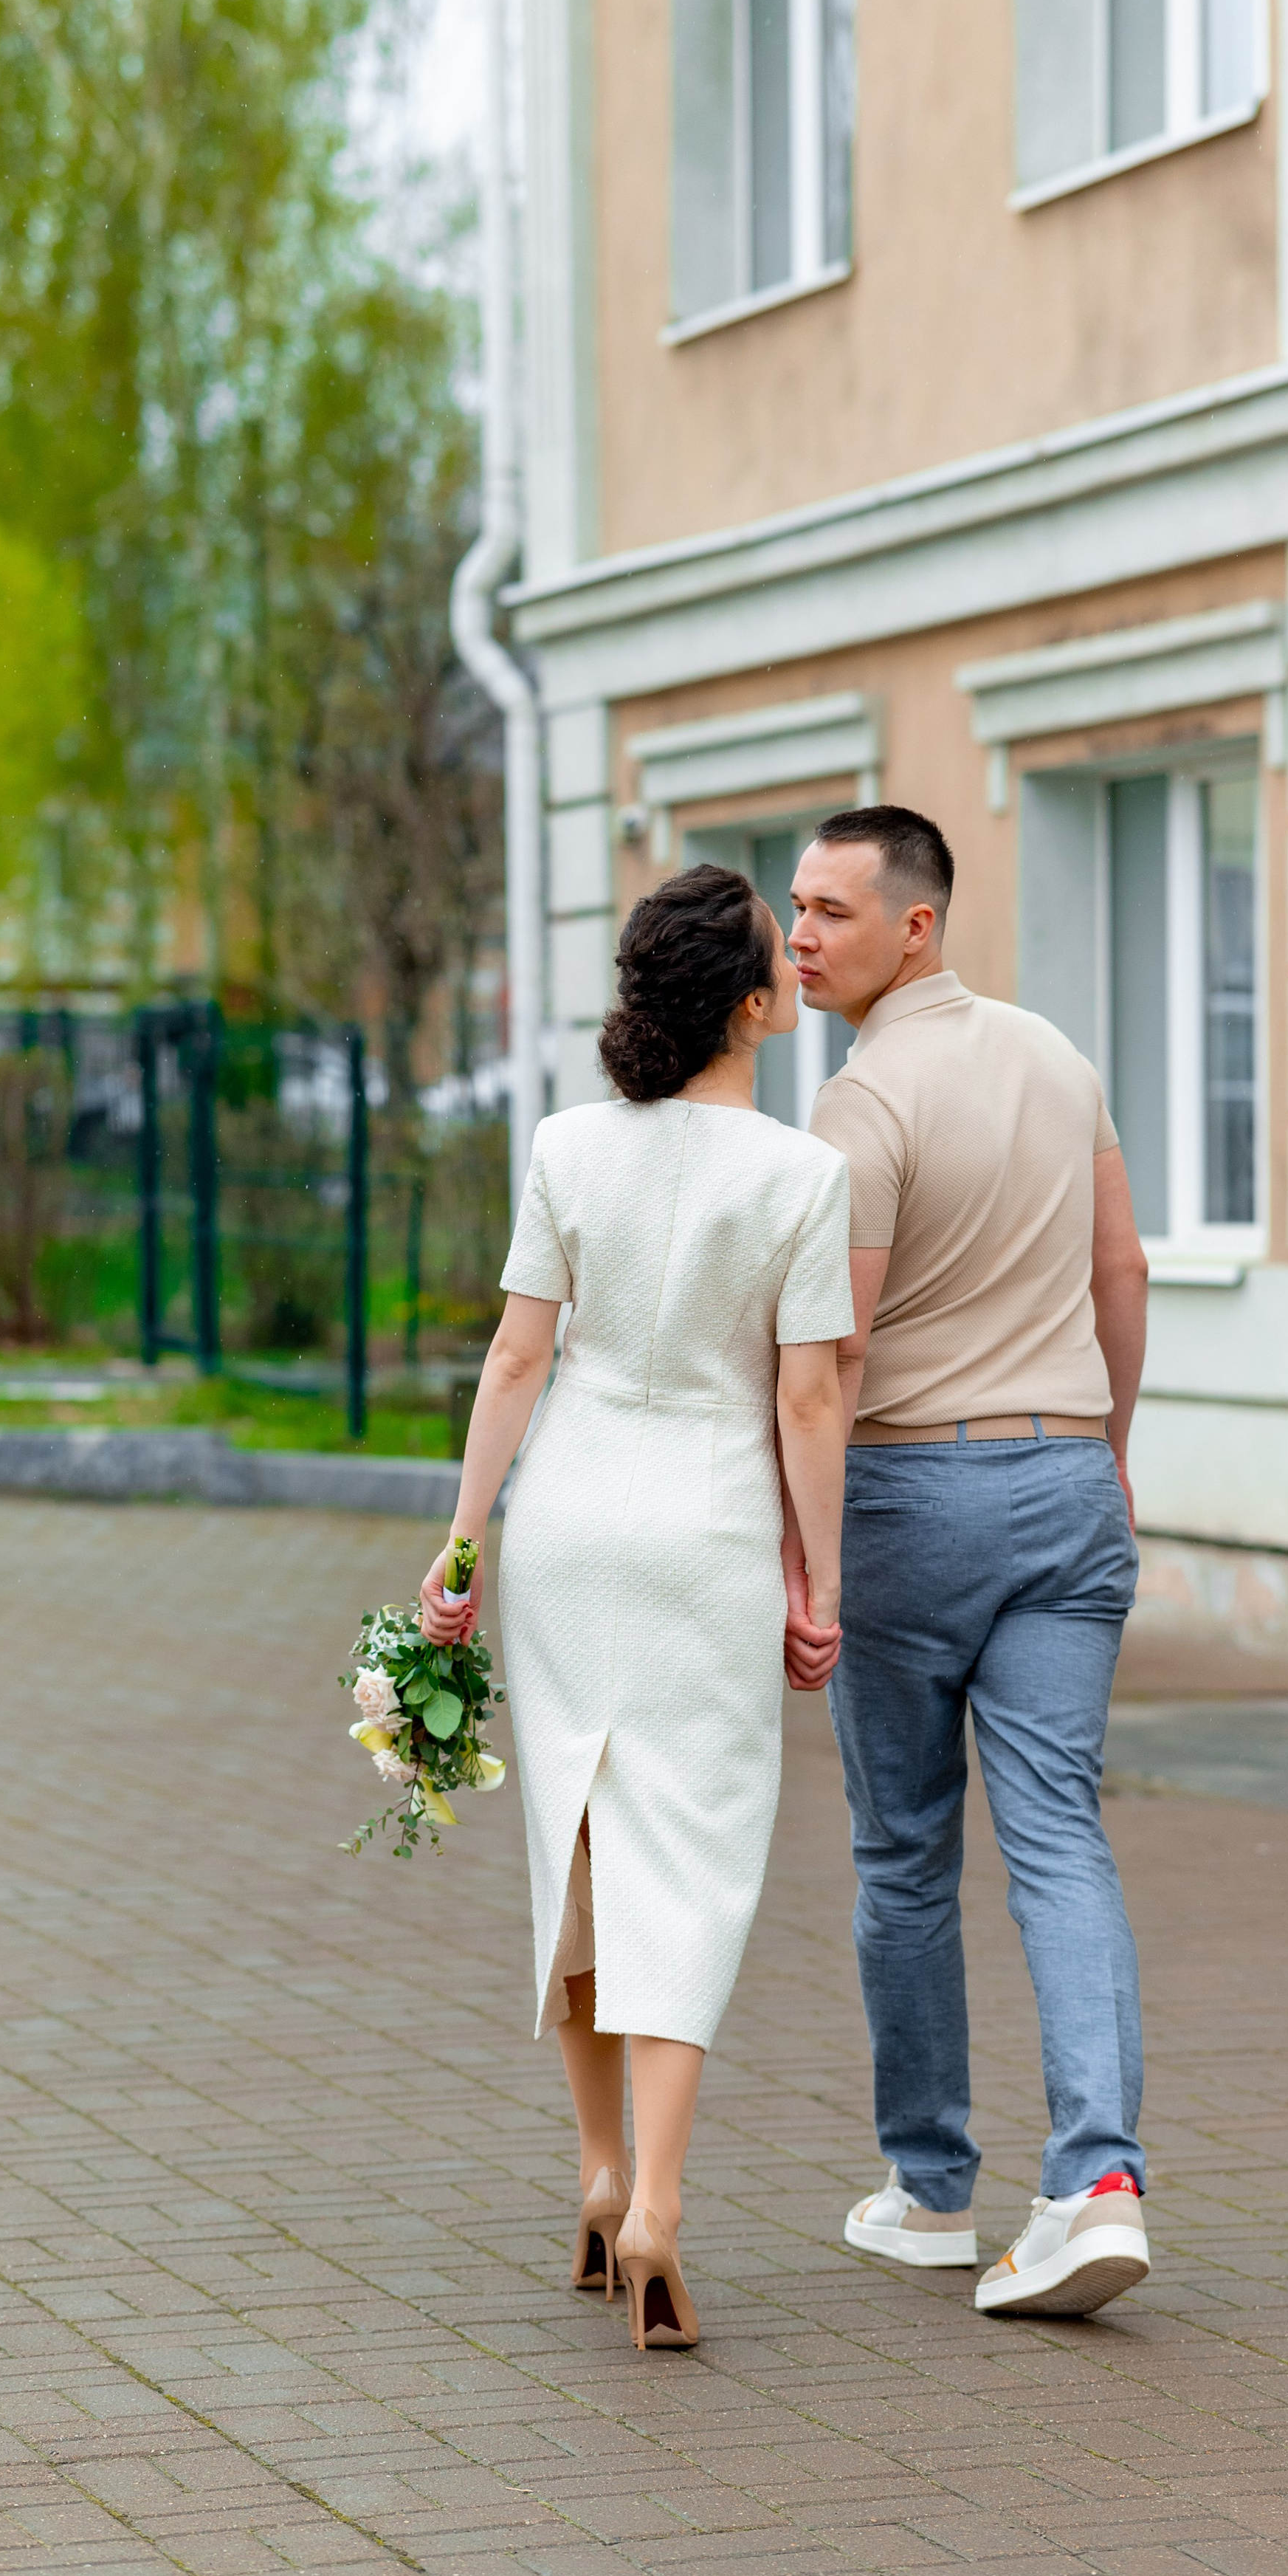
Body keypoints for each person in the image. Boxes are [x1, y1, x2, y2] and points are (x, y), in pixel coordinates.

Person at [420, 863, 853, 2352]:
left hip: (568, 1530)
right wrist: (821, 1576)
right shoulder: (801, 1174)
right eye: (774, 958)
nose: (795, 967)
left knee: (584, 1844)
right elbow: (807, 1396)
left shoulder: (563, 1147)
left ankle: (597, 2175)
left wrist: (463, 1545)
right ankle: (661, 2202)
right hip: (708, 1536)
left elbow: (514, 1364)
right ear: (746, 1002)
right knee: (693, 1863)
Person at [786, 804, 1153, 2320]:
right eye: (792, 907)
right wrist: (1109, 1450)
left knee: (902, 1852)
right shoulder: (1053, 1057)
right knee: (1059, 1833)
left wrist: (803, 1552)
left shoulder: (861, 1106)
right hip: (1068, 1477)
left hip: (908, 1499)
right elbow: (1117, 1272)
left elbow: (836, 1350)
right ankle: (1095, 2180)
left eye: (829, 910)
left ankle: (931, 2189)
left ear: (914, 925)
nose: (797, 933)